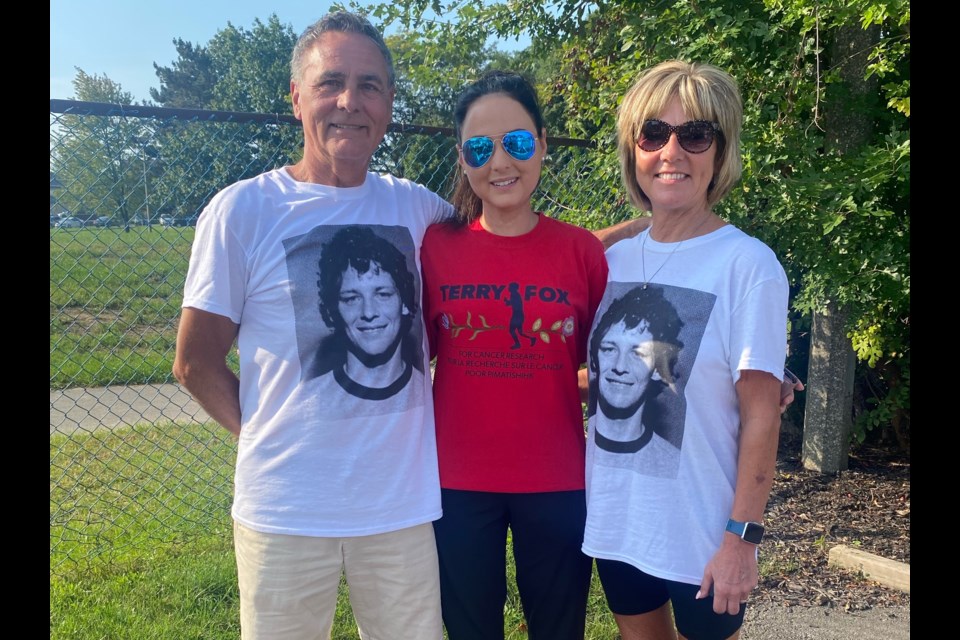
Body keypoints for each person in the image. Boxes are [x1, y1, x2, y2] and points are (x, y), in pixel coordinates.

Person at [173, 11, 451, 639]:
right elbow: (194, 363)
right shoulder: (243, 210)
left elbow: (513, 252)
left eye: (370, 85)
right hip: (284, 511)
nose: (350, 101)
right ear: (297, 97)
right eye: (331, 83)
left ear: (388, 104)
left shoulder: (417, 207)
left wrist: (654, 228)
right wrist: (267, 434)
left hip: (400, 510)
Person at [581, 60, 792, 640]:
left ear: (720, 153)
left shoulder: (748, 266)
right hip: (618, 517)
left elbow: (759, 417)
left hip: (700, 531)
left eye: (695, 135)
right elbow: (599, 369)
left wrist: (740, 539)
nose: (672, 151)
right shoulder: (610, 264)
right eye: (653, 134)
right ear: (633, 149)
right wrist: (637, 225)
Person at [420, 71, 607, 640]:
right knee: (471, 628)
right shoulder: (433, 247)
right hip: (456, 480)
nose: (500, 162)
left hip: (556, 478)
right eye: (481, 148)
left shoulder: (581, 252)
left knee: (558, 629)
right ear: (463, 158)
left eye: (517, 143)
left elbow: (609, 362)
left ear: (543, 144)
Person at [307, 224, 426, 411]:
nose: (369, 313)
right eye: (351, 299)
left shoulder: (428, 394)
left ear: (404, 302)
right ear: (334, 309)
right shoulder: (310, 396)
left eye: (383, 294)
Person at [588, 285, 683, 478]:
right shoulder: (569, 452)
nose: (620, 366)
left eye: (638, 354)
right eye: (608, 349)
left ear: (658, 369)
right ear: (594, 359)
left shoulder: (671, 461)